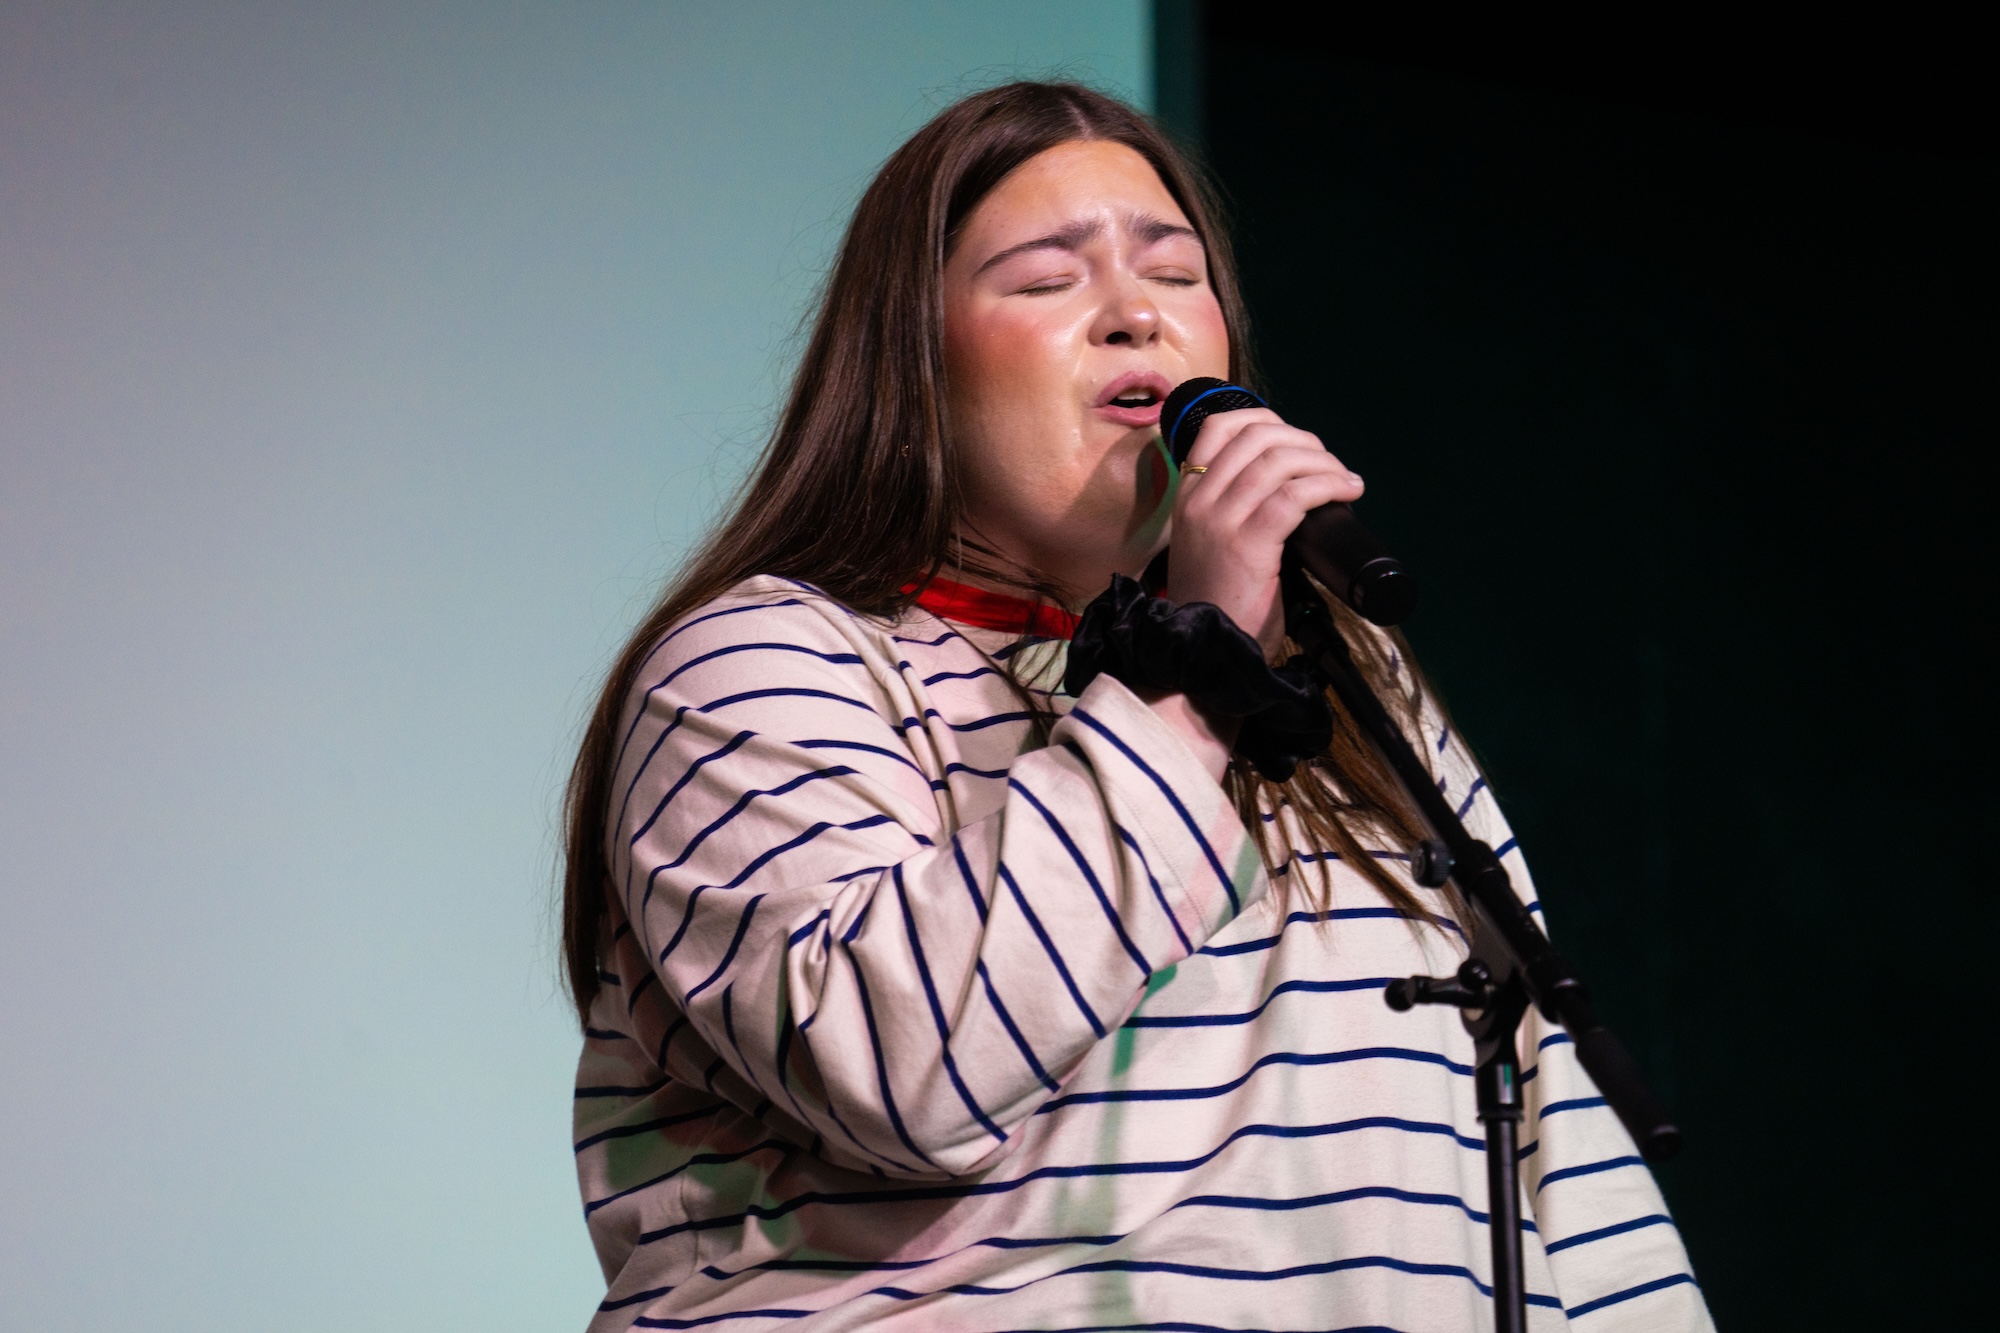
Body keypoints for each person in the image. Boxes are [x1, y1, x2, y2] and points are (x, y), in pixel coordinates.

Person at [561, 81, 1711, 1332]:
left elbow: (1554, 1141)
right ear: (912, 369)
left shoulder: (1346, 688)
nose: (1133, 314)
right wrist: (1190, 677)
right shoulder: (760, 660)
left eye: (1173, 272)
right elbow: (902, 1073)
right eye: (1047, 280)